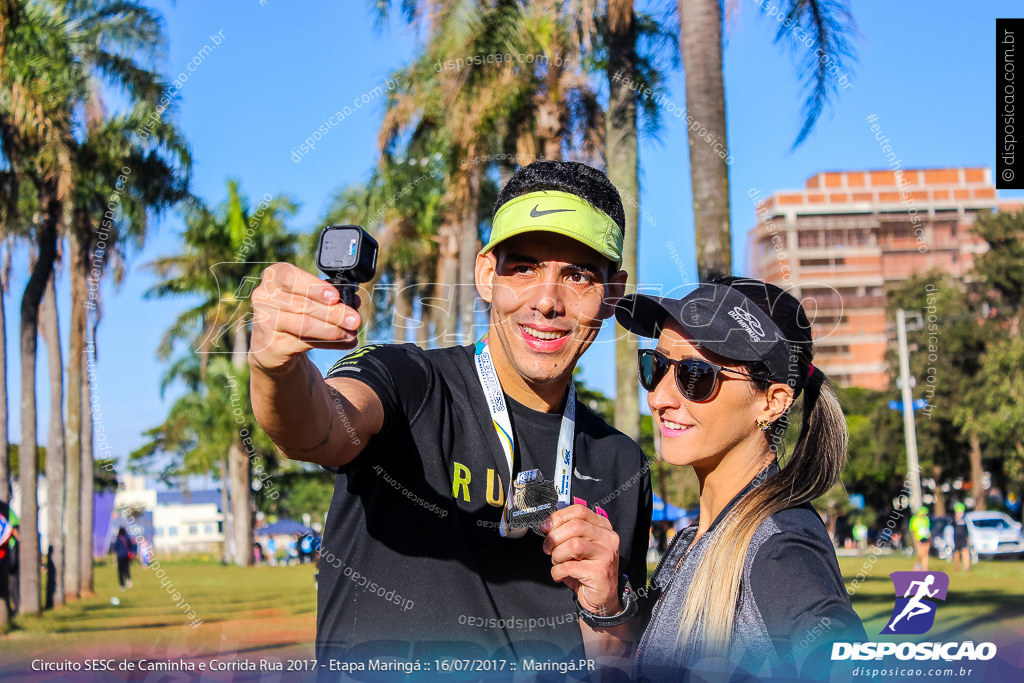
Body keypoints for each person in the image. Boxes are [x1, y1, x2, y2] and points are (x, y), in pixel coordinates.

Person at [249, 160, 653, 666]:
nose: (547, 301)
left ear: (612, 294)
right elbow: (319, 429)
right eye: (524, 267)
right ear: (486, 275)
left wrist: (608, 609)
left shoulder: (623, 463)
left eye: (578, 275)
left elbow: (615, 663)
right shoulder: (409, 380)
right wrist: (276, 368)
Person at [548, 276, 866, 679]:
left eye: (696, 376)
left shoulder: (779, 545)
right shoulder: (695, 539)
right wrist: (607, 609)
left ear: (773, 402)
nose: (659, 397)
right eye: (656, 366)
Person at [951, 502, 971, 572]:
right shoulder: (954, 519)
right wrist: (957, 518)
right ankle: (957, 566)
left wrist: (968, 538)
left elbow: (967, 529)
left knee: (965, 551)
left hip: (963, 538)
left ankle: (967, 567)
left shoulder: (965, 519)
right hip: (956, 538)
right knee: (957, 553)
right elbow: (952, 524)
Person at [910, 506, 931, 571]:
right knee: (920, 553)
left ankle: (925, 568)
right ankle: (917, 565)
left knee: (926, 553)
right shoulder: (914, 519)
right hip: (918, 538)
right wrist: (915, 540)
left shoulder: (926, 519)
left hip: (926, 537)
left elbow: (928, 529)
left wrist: (930, 538)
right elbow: (913, 531)